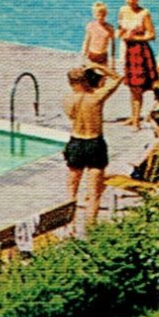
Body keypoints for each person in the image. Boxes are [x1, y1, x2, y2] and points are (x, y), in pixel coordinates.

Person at [64, 63, 122, 228]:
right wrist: (97, 66)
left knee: (71, 191)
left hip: (76, 141)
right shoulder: (97, 97)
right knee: (94, 193)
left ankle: (71, 227)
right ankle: (91, 229)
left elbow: (71, 116)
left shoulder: (67, 99)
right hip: (94, 142)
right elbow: (118, 77)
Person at [118, 0, 157, 128]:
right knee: (131, 87)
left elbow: (152, 35)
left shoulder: (144, 13)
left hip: (140, 51)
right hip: (127, 50)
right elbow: (120, 28)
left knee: (139, 87)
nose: (130, 2)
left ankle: (136, 120)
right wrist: (121, 34)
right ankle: (134, 115)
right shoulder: (122, 10)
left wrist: (134, 38)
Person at [82, 1, 114, 67]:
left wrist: (113, 61)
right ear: (94, 15)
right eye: (98, 15)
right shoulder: (90, 26)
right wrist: (83, 58)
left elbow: (112, 45)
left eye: (103, 15)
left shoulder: (110, 28)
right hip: (92, 55)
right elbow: (86, 41)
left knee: (103, 76)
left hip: (103, 56)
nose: (100, 17)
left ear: (106, 14)